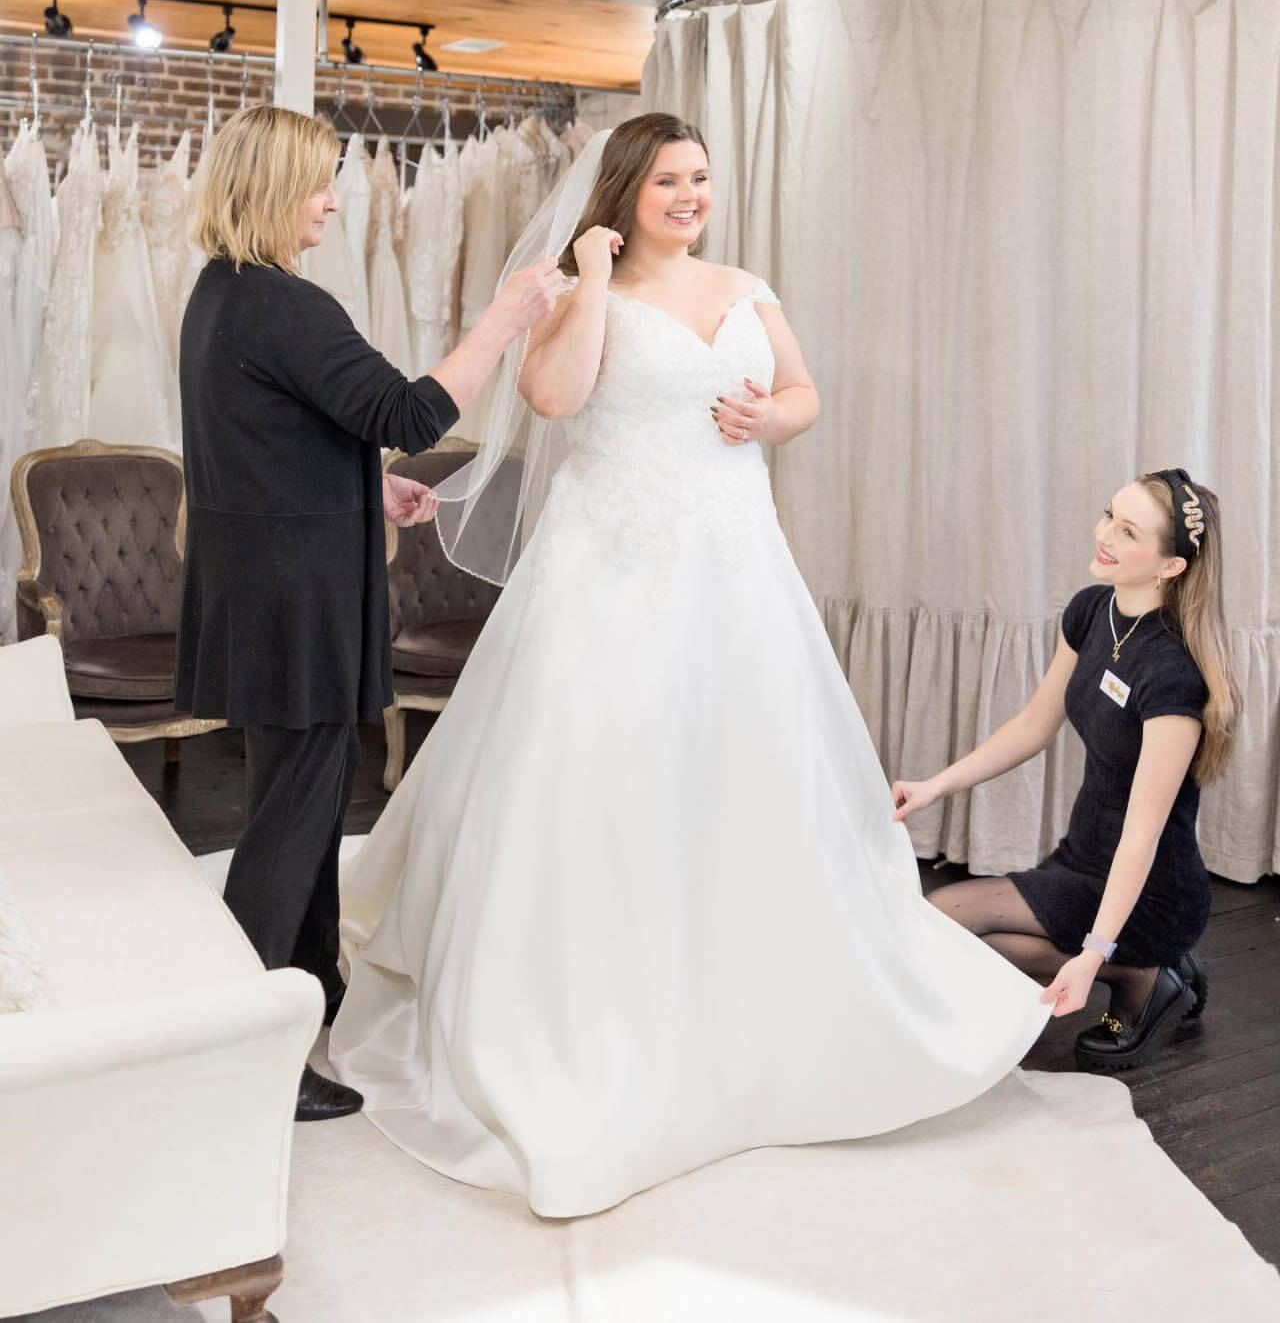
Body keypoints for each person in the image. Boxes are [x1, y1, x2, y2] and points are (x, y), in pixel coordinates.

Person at [329, 113, 1048, 1216]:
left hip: (733, 558)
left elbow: (804, 396)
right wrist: (586, 280)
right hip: (607, 560)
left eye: (699, 179)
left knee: (743, 765)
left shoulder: (745, 283)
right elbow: (553, 400)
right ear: (626, 188)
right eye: (668, 179)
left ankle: (760, 995)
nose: (687, 196)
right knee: (601, 770)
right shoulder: (588, 290)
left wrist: (770, 415)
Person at [176, 105, 559, 1122]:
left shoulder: (221, 296)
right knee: (290, 820)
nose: (335, 199)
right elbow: (408, 414)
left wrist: (362, 488)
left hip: (258, 579)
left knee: (295, 800)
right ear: (269, 188)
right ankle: (237, 1043)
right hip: (295, 593)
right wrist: (502, 319)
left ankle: (305, 997)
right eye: (319, 181)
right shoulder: (288, 306)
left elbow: (269, 437)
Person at [892, 471, 1240, 1071]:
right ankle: (1147, 972)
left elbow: (1143, 835)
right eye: (1109, 514)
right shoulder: (1091, 612)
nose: (1102, 534)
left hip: (1150, 886)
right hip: (1084, 855)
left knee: (945, 919)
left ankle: (1138, 968)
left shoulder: (1173, 676)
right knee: (981, 940)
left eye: (1127, 531)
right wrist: (934, 787)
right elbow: (1032, 725)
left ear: (1169, 567)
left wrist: (1093, 953)